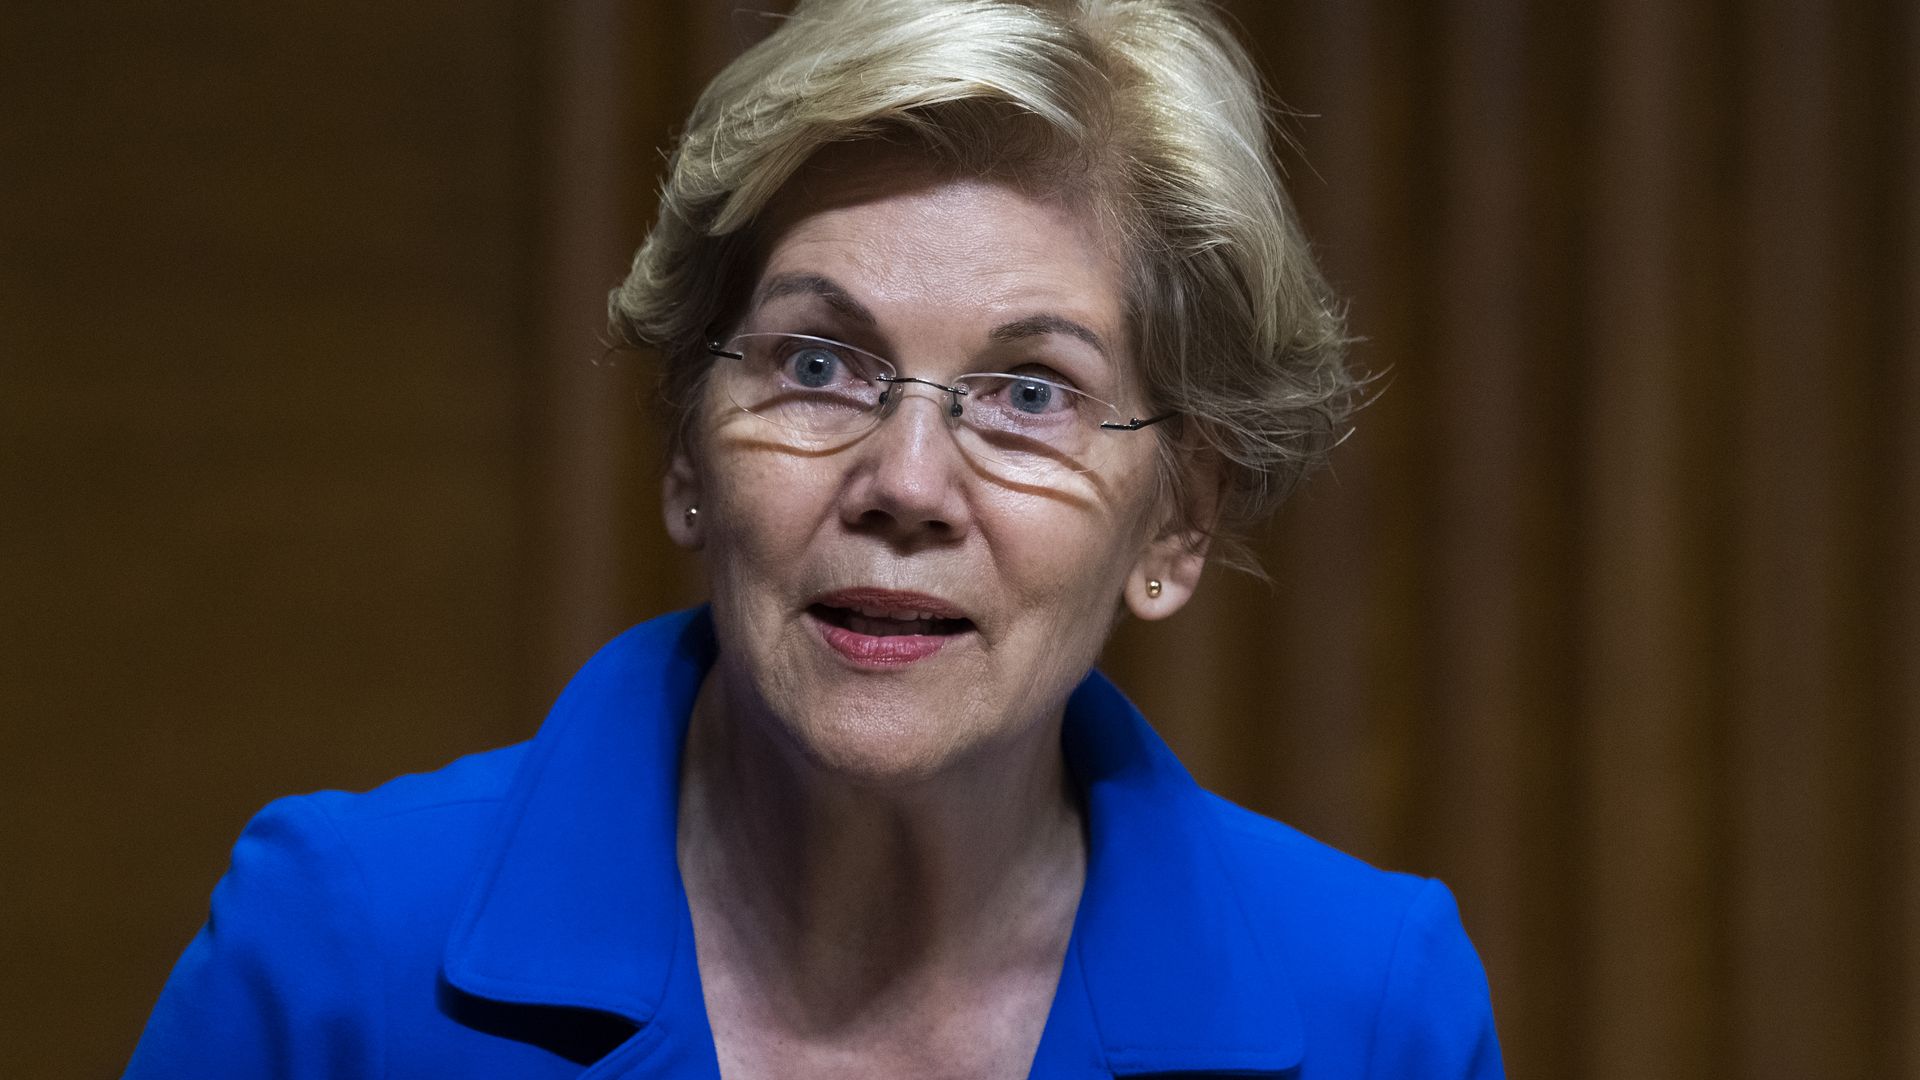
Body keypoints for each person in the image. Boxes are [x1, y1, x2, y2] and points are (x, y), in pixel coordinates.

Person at [126, 1, 1503, 1077]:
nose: (904, 483)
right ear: (685, 448)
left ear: (1180, 518)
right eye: (819, 368)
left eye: (1029, 394)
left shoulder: (1373, 1010)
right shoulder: (339, 952)